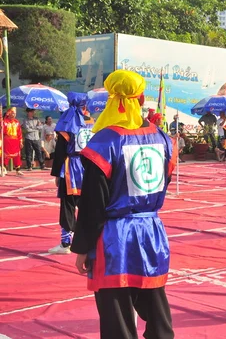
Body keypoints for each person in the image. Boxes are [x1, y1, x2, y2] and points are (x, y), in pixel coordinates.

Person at [71, 69, 175, 339]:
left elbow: (93, 202)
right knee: (154, 301)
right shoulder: (162, 138)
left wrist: (82, 246)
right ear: (140, 99)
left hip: (114, 236)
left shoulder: (105, 142)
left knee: (116, 310)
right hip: (151, 230)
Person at [49, 92, 95, 254]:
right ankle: (90, 239)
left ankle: (65, 243)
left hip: (70, 168)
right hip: (88, 167)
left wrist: (56, 174)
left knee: (67, 205)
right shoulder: (92, 122)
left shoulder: (67, 122)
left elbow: (61, 151)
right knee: (86, 204)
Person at [2, 107, 24, 175]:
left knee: (17, 155)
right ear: (8, 113)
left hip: (15, 141)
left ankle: (17, 169)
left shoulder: (17, 122)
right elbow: (2, 132)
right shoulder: (4, 122)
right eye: (12, 113)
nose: (13, 115)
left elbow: (19, 133)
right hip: (7, 140)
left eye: (14, 113)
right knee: (6, 155)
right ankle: (3, 168)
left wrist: (20, 141)